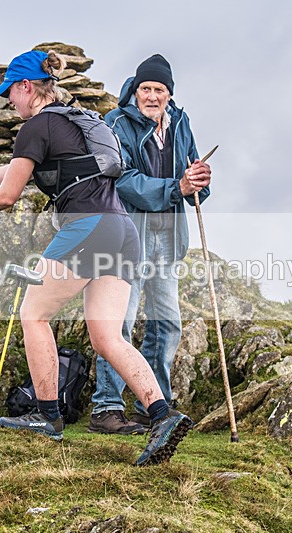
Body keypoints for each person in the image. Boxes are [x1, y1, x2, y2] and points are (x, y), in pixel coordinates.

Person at [0, 49, 193, 466]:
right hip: (123, 231)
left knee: (34, 315)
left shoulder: (36, 126)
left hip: (87, 228)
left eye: (10, 92)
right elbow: (17, 169)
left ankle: (47, 415)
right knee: (107, 337)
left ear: (26, 87)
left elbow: (10, 193)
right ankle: (162, 416)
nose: (8, 101)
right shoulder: (77, 120)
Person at [88, 54, 212, 435]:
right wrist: (178, 187)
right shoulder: (116, 124)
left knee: (168, 324)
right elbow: (121, 179)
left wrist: (199, 182)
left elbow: (191, 184)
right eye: (146, 88)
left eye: (160, 89)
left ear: (169, 94)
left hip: (169, 236)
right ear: (136, 89)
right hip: (128, 235)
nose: (153, 96)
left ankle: (154, 405)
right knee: (118, 323)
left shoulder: (180, 123)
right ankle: (106, 407)